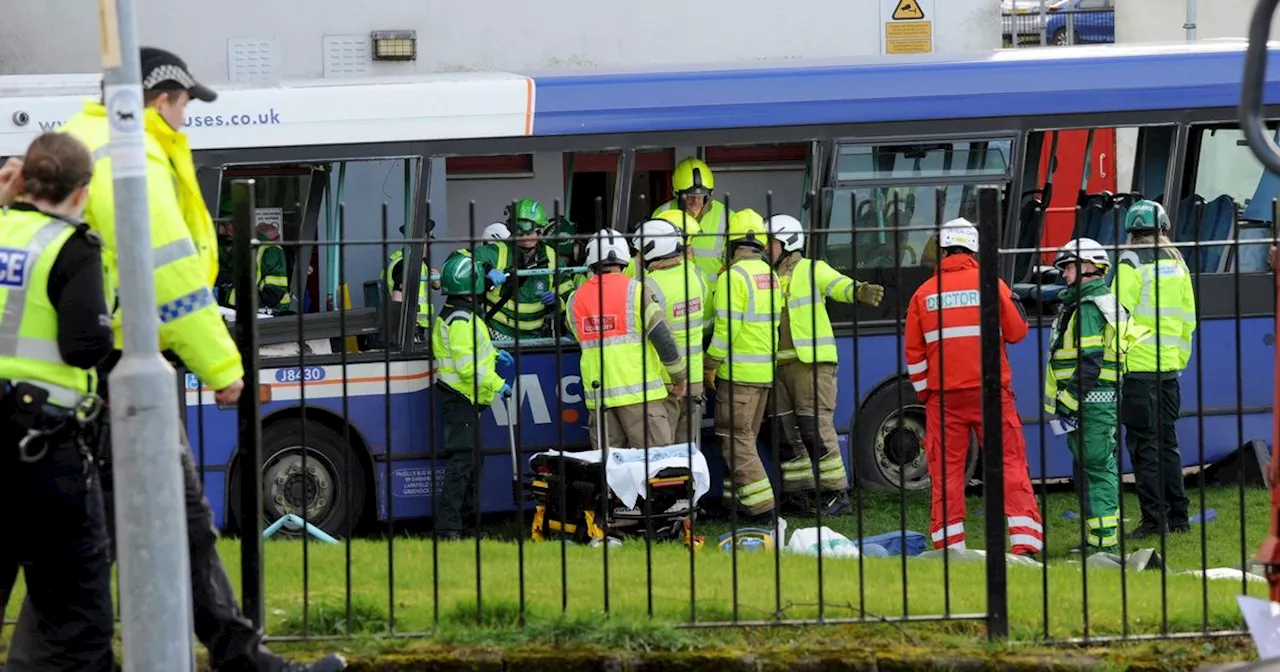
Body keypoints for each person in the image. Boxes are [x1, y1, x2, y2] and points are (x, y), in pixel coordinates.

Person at [60, 46, 346, 672]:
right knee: (100, 542)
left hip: (102, 369)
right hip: (123, 368)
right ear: (160, 99)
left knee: (161, 526)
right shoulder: (128, 155)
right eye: (185, 102)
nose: (188, 115)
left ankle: (242, 657)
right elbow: (170, 274)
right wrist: (224, 367)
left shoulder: (83, 139)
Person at [0, 132, 116, 671]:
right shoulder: (72, 249)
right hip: (42, 451)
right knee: (76, 615)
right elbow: (85, 347)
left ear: (20, 181)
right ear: (81, 191)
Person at [904, 219, 1044, 557]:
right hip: (991, 394)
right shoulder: (990, 285)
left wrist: (928, 394)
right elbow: (1017, 332)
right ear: (973, 248)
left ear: (943, 249)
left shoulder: (923, 294)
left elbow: (915, 354)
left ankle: (950, 546)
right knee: (1009, 463)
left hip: (944, 400)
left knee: (947, 471)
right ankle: (1025, 542)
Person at [766, 214, 885, 517]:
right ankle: (797, 494)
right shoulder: (766, 278)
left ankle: (836, 494)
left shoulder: (812, 269)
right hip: (778, 366)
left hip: (812, 364)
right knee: (785, 431)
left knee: (814, 427)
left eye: (773, 242)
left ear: (789, 243)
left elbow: (838, 285)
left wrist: (859, 290)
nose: (767, 248)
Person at [1046, 237, 1146, 555]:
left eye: (1069, 267)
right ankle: (1100, 538)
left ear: (1088, 268)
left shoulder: (1090, 307)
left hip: (1089, 403)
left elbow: (1090, 361)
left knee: (1095, 470)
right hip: (1094, 403)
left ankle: (1102, 544)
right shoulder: (1098, 302)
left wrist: (1069, 402)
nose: (1063, 274)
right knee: (1096, 468)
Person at [1113, 200, 1195, 539]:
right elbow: (1189, 319)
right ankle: (1179, 518)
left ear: (1132, 232)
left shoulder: (1131, 261)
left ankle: (1153, 520)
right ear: (1164, 229)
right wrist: (1177, 359)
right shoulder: (1178, 264)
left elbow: (1117, 315)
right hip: (1169, 371)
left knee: (1144, 447)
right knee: (1168, 444)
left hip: (1139, 371)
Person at [568, 228, 687, 449]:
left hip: (600, 401)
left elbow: (581, 338)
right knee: (656, 469)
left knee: (613, 472)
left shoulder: (574, 299)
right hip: (641, 400)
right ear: (623, 258)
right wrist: (679, 376)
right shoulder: (637, 291)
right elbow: (663, 337)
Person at [704, 208, 782, 521]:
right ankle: (736, 504)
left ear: (732, 244)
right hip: (764, 373)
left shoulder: (731, 278)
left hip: (738, 375)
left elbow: (725, 330)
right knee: (745, 438)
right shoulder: (771, 276)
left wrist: (710, 363)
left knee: (735, 441)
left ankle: (762, 509)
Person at [432, 251, 510, 540]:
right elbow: (467, 368)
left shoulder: (456, 313)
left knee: (471, 462)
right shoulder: (462, 319)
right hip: (461, 398)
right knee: (462, 465)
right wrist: (497, 383)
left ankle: (464, 526)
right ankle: (452, 528)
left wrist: (494, 355)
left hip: (463, 399)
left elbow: (473, 354)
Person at [633, 217, 710, 445]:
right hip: (694, 378)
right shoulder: (697, 276)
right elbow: (705, 322)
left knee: (664, 454)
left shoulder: (646, 286)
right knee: (689, 451)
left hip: (666, 382)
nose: (637, 257)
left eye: (639, 252)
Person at [475, 198, 573, 341]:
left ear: (540, 233)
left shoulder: (552, 258)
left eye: (530, 233)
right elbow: (462, 258)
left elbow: (569, 296)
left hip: (536, 337)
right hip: (499, 333)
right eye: (520, 234)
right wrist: (487, 268)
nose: (524, 238)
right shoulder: (498, 251)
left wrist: (557, 302)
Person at [652, 157, 734, 299]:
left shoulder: (727, 216)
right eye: (689, 196)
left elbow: (735, 260)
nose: (695, 200)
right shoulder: (662, 214)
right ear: (677, 194)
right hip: (673, 295)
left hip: (713, 296)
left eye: (700, 196)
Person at [384, 220, 442, 340]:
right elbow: (397, 301)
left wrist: (435, 284)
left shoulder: (419, 264)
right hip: (408, 331)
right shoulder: (406, 265)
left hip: (415, 330)